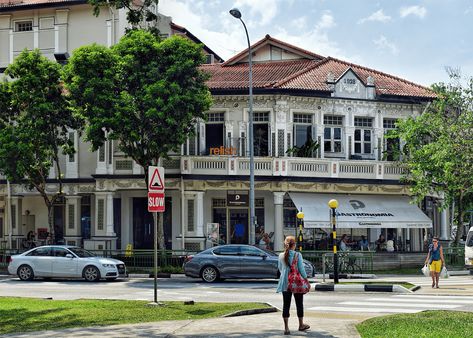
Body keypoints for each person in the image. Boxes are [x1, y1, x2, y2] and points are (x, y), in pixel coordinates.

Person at [276, 236, 310, 335]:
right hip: (296, 283)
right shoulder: (297, 255)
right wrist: (306, 280)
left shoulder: (281, 255)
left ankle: (286, 328)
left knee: (286, 305)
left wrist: (286, 275)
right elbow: (301, 269)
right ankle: (301, 325)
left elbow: (280, 269)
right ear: (294, 245)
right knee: (299, 304)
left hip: (285, 283)